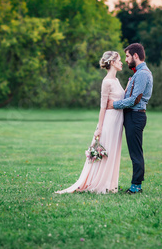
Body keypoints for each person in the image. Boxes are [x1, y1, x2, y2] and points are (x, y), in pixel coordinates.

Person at [55, 51, 125, 194]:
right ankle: (100, 184)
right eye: (119, 60)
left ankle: (110, 184)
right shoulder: (106, 82)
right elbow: (103, 106)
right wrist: (99, 128)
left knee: (114, 152)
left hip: (118, 122)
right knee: (107, 152)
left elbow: (120, 99)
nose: (121, 62)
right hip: (109, 122)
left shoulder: (117, 81)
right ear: (112, 62)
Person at [107, 43, 153, 195]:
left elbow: (134, 100)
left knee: (135, 153)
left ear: (135, 56)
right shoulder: (138, 73)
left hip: (135, 115)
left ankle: (136, 186)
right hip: (132, 115)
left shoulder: (142, 74)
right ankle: (133, 184)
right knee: (134, 151)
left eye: (127, 56)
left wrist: (114, 104)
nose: (126, 60)